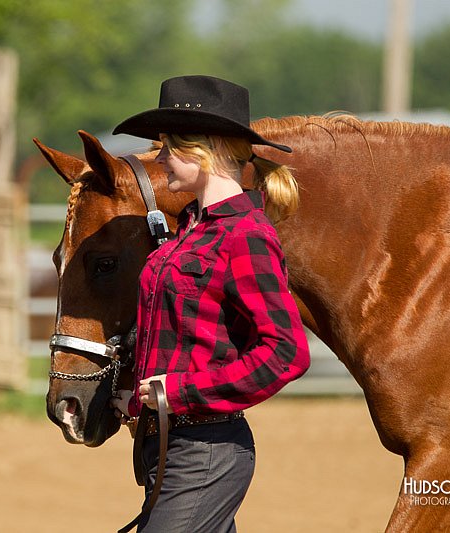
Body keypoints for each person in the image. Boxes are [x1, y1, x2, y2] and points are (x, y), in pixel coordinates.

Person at [109, 75, 310, 532]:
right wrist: (138, 398)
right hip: (167, 448)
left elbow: (287, 352)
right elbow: (183, 338)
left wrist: (178, 392)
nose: (159, 158)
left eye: (168, 146)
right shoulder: (190, 231)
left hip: (207, 452)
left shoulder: (247, 236)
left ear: (208, 147)